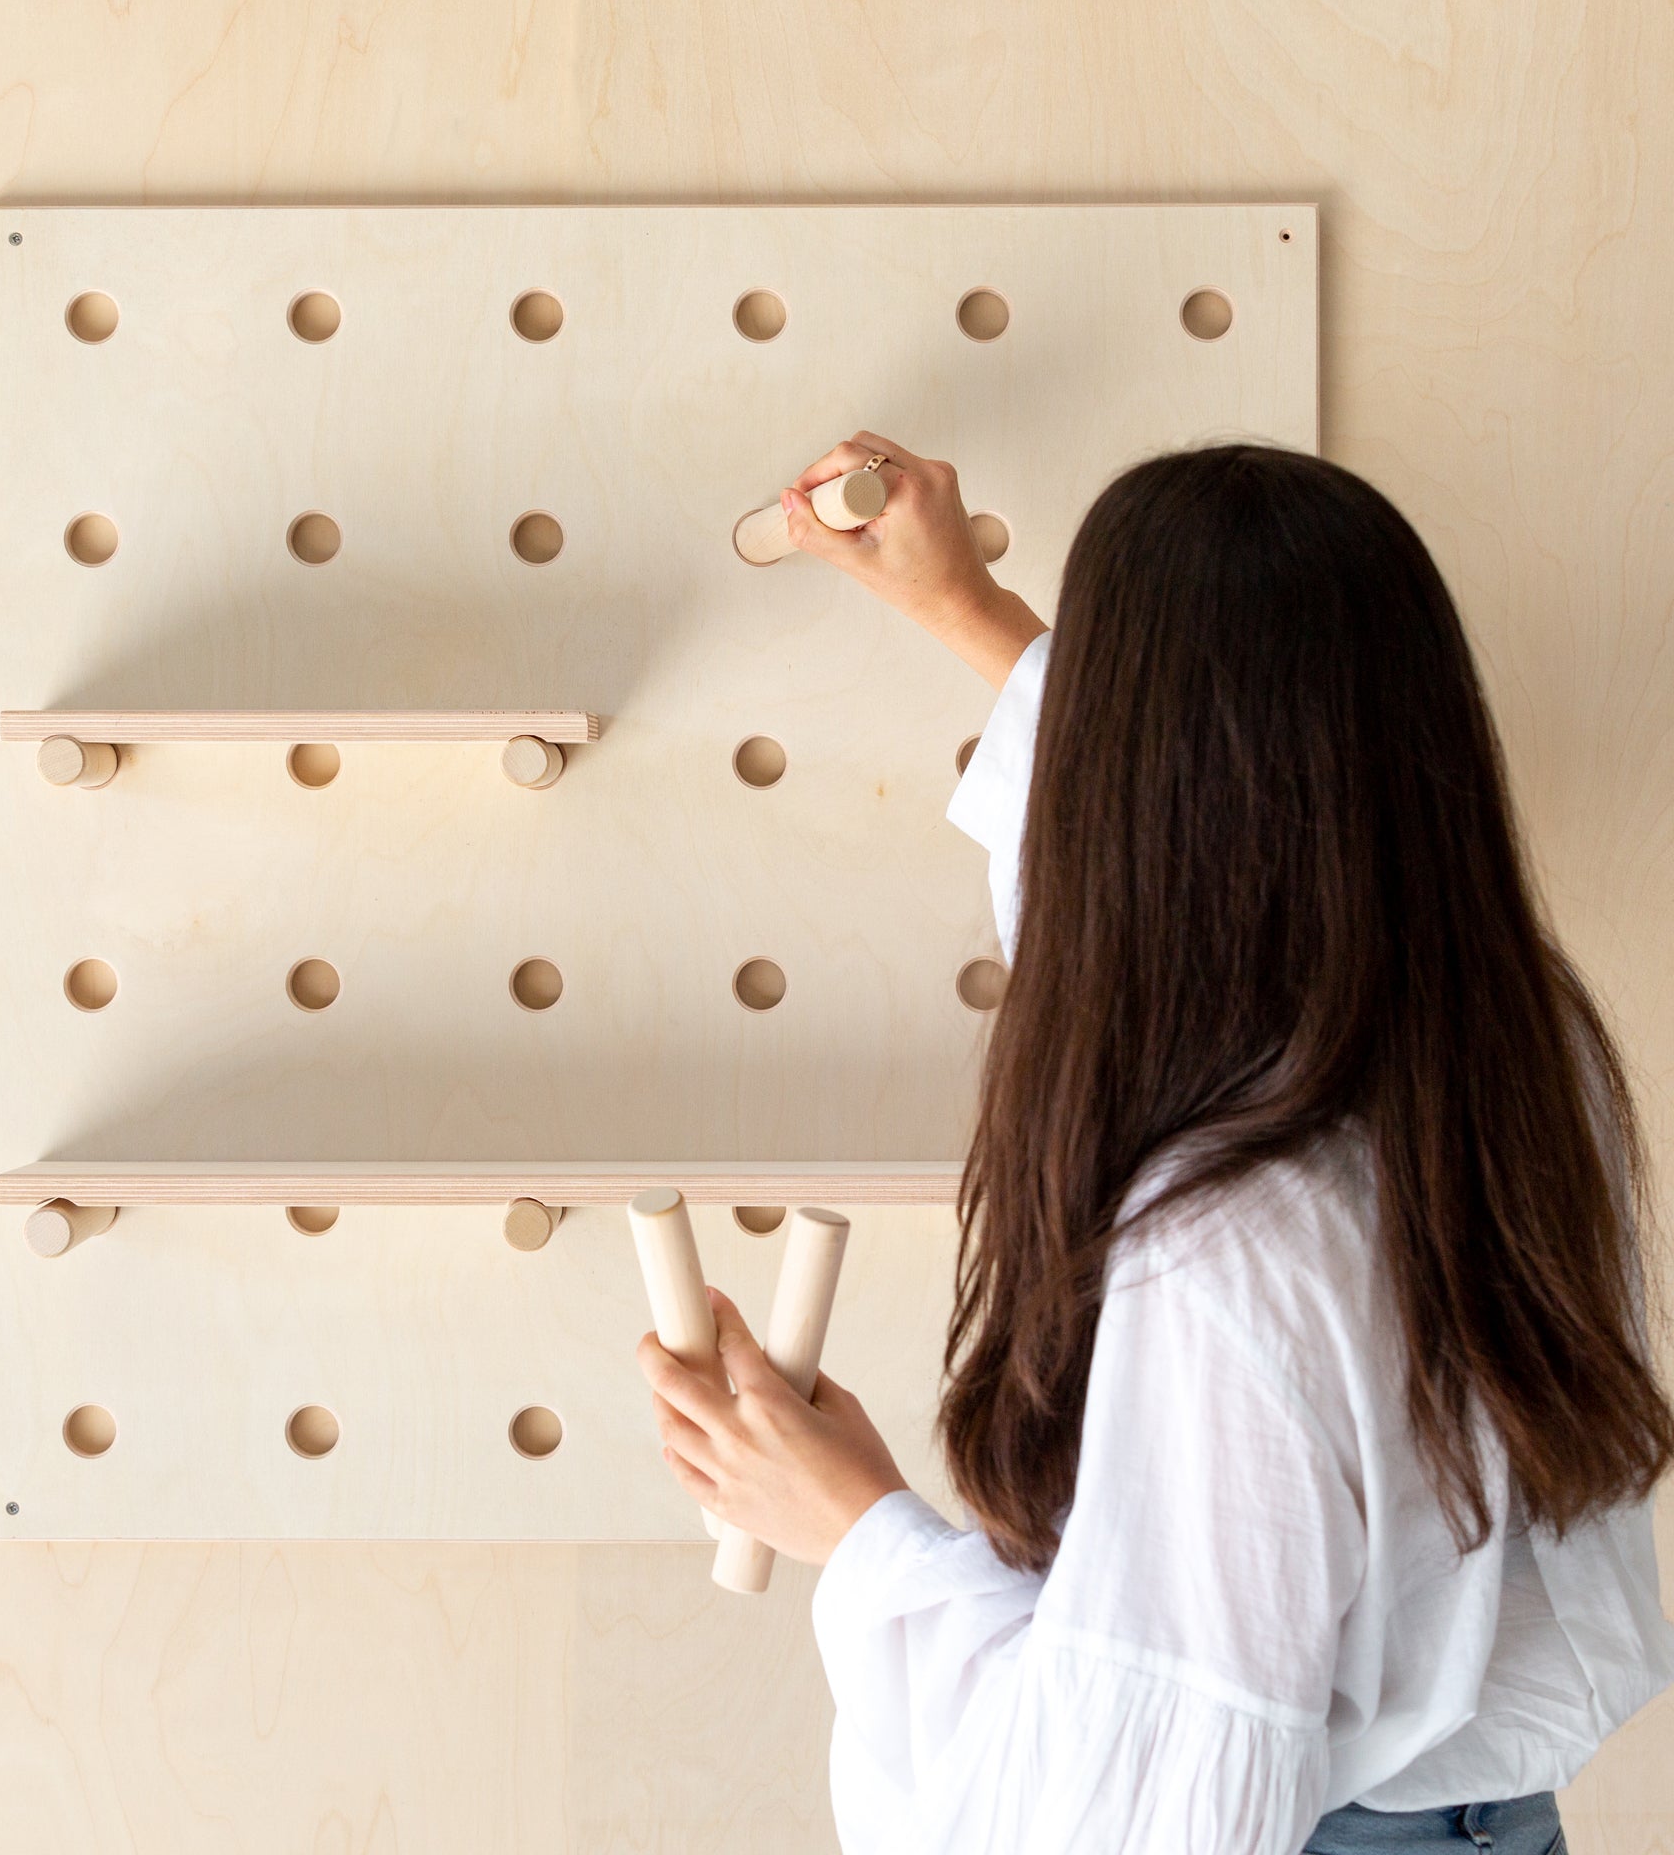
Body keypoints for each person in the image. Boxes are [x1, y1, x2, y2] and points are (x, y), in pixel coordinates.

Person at [636, 437, 1674, 1855]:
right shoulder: (1519, 1050)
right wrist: (968, 607)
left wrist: (855, 1528)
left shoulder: (1226, 1242)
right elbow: (1175, 876)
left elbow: (1135, 1812)